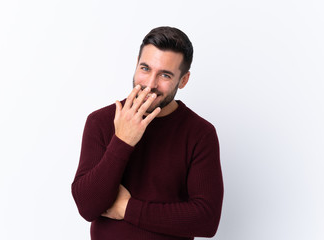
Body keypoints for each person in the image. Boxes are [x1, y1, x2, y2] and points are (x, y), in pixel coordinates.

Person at [71, 26, 224, 240]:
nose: (150, 84)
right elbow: (87, 206)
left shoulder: (200, 133)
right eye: (145, 68)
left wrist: (128, 209)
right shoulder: (101, 121)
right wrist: (123, 141)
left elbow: (206, 221)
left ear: (183, 80)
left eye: (164, 74)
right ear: (136, 64)